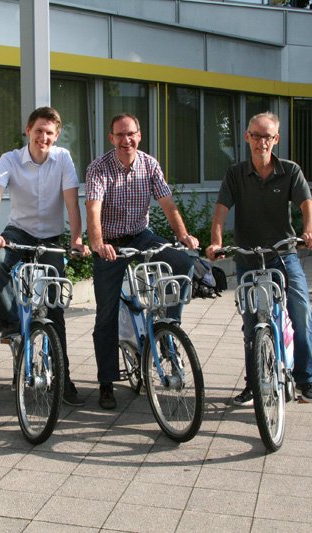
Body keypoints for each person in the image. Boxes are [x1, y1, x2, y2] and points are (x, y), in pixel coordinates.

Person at [205, 111, 312, 405]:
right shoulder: (236, 173)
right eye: (255, 136)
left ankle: (305, 380)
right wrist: (216, 243)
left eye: (267, 136)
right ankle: (253, 384)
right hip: (248, 258)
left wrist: (309, 232)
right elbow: (221, 211)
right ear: (247, 138)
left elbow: (307, 205)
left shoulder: (290, 171)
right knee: (251, 324)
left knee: (301, 313)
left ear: (276, 139)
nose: (261, 142)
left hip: (283, 256)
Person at [85, 113, 199, 410]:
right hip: (110, 243)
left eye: (131, 134)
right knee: (106, 315)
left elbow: (167, 204)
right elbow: (93, 210)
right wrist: (97, 244)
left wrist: (184, 235)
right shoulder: (99, 168)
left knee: (183, 263)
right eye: (120, 135)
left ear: (140, 135)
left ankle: (166, 323)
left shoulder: (149, 164)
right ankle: (107, 382)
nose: (127, 140)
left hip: (141, 235)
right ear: (111, 138)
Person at [0, 106, 90, 407]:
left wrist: (77, 238)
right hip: (18, 231)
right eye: (38, 130)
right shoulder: (10, 159)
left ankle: (64, 379)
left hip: (51, 238)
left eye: (49, 133)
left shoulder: (63, 159)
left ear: (55, 137)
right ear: (28, 131)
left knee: (55, 311)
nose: (43, 137)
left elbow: (72, 202)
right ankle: (11, 322)